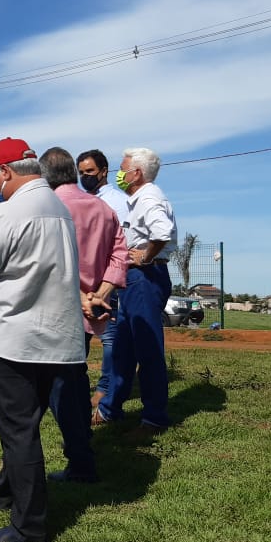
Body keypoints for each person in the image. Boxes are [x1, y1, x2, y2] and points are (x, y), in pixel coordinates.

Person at [0, 139, 85, 542]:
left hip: (10, 336)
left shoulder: (7, 214)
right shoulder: (59, 209)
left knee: (17, 431)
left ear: (6, 171)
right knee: (25, 424)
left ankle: (29, 526)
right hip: (55, 337)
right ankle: (4, 487)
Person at [39, 147, 128, 482]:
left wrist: (80, 297)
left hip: (56, 311)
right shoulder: (104, 209)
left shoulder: (50, 209)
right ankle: (82, 451)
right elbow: (120, 256)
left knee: (56, 389)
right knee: (74, 380)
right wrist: (99, 295)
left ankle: (79, 459)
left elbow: (48, 261)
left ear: (45, 176)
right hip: (93, 312)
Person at [96, 147, 178, 438]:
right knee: (123, 348)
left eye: (123, 168)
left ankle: (154, 419)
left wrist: (144, 257)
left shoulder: (148, 198)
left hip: (145, 277)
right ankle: (110, 408)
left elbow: (162, 232)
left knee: (148, 349)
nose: (120, 173)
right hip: (136, 278)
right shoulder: (138, 199)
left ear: (137, 173)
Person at [76, 149, 128, 410]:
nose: (85, 177)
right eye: (81, 173)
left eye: (90, 172)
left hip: (106, 282)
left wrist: (107, 286)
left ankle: (104, 389)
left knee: (109, 337)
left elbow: (122, 245)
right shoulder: (83, 200)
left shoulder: (117, 202)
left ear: (104, 171)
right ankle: (78, 387)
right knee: (80, 336)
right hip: (83, 283)